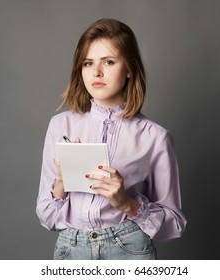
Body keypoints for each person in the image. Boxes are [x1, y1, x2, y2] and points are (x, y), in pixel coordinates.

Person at [36, 18, 186, 260]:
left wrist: (127, 203)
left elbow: (174, 224)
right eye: (88, 63)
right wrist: (62, 181)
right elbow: (47, 215)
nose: (96, 72)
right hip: (71, 251)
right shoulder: (60, 125)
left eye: (108, 61)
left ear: (129, 69)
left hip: (128, 250)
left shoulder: (155, 137)